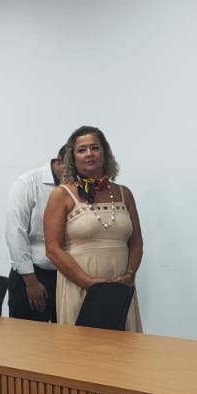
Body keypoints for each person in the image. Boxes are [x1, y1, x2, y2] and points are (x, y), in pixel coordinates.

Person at [44, 125, 143, 331]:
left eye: (95, 148)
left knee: (124, 346)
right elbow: (52, 249)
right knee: (82, 348)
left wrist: (130, 274)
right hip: (79, 286)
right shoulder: (62, 195)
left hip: (120, 289)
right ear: (73, 158)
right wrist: (87, 282)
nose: (89, 153)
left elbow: (136, 243)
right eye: (81, 150)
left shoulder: (124, 193)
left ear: (105, 154)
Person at [5, 152, 62, 321]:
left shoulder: (80, 184)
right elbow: (15, 233)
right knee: (28, 334)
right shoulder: (28, 183)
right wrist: (31, 282)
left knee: (67, 336)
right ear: (59, 160)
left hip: (67, 277)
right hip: (33, 275)